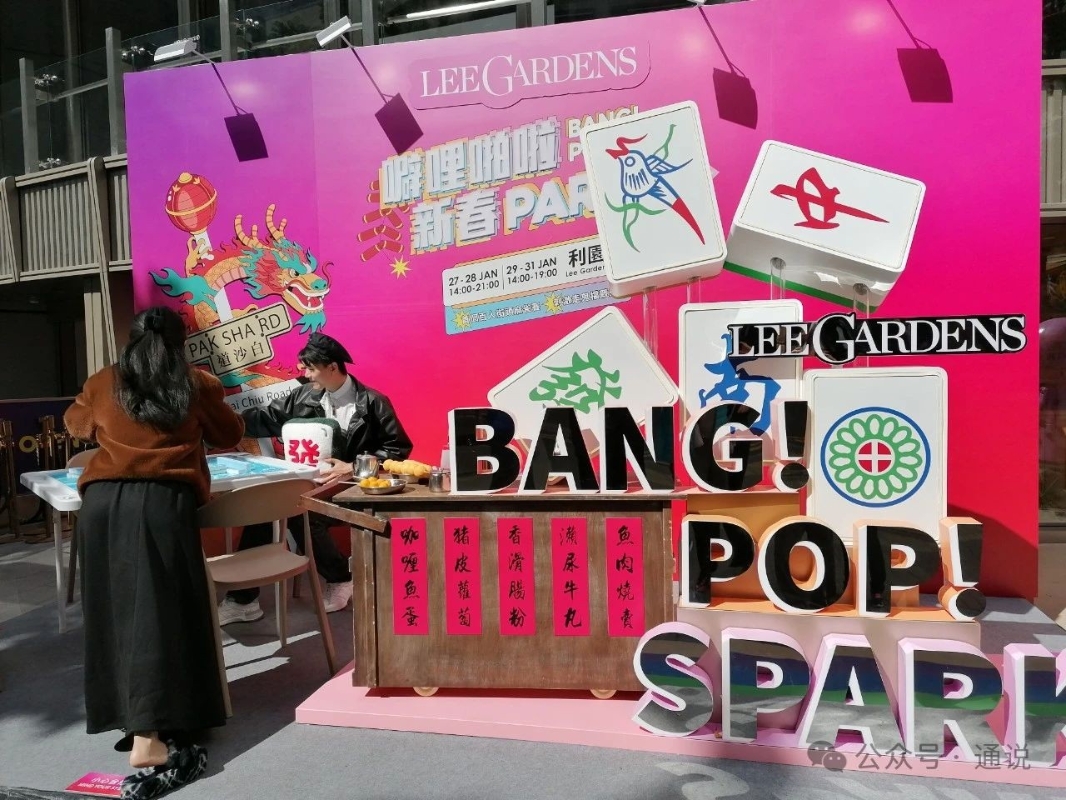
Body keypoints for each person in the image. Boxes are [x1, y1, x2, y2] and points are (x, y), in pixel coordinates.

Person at [63, 306, 245, 793]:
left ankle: (131, 718)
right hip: (164, 504)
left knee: (116, 615)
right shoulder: (197, 383)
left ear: (133, 338)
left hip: (103, 505)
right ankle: (155, 730)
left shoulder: (104, 381)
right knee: (166, 613)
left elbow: (76, 424)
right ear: (181, 342)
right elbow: (230, 434)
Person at [216, 332, 412, 624]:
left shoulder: (373, 402)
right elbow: (267, 418)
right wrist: (220, 423)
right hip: (309, 485)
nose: (305, 375)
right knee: (263, 508)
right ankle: (243, 600)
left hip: (352, 487)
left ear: (332, 367)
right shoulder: (303, 395)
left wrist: (353, 467)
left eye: (310, 369)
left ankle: (340, 578)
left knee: (301, 511)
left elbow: (398, 449)